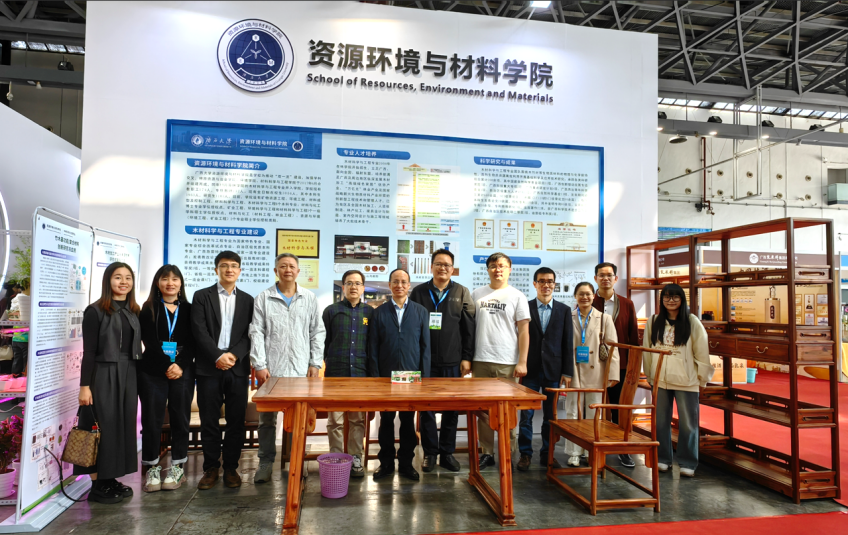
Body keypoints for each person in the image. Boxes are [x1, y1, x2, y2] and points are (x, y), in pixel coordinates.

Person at [249, 253, 324, 484]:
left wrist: (315, 363)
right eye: (283, 266)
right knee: (267, 420)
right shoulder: (264, 298)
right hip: (272, 370)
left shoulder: (309, 298)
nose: (288, 270)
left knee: (298, 419)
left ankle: (296, 460)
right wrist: (259, 364)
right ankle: (265, 462)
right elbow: (256, 332)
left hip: (301, 370)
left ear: (298, 271)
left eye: (292, 266)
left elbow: (317, 332)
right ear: (276, 271)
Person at [76, 262, 142, 504]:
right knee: (101, 427)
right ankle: (97, 485)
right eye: (118, 277)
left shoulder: (133, 311)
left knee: (121, 427)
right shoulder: (95, 311)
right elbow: (89, 352)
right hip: (103, 374)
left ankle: (110, 478)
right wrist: (85, 386)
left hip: (129, 374)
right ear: (108, 280)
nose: (123, 282)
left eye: (128, 277)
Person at [191, 251, 254, 490]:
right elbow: (199, 330)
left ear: (240, 271)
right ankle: (210, 468)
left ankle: (230, 468)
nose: (229, 269)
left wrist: (233, 355)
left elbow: (250, 333)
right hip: (209, 367)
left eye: (234, 266)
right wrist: (218, 355)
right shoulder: (201, 296)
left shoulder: (248, 300)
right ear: (216, 269)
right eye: (224, 266)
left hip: (237, 368)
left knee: (236, 420)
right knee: (209, 420)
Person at [409, 248, 475, 473]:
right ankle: (430, 453)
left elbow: (468, 328)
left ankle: (447, 453)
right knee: (425, 409)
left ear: (452, 269)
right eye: (438, 264)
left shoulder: (461, 292)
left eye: (447, 265)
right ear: (431, 267)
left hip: (452, 360)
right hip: (425, 362)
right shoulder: (419, 292)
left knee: (451, 409)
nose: (443, 268)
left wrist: (466, 357)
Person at [468, 252, 530, 471]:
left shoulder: (517, 296)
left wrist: (522, 361)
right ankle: (487, 453)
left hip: (507, 362)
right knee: (484, 411)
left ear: (509, 269)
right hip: (481, 359)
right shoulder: (477, 294)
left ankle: (507, 452)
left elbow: (524, 331)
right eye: (493, 266)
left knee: (507, 412)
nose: (498, 269)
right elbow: (469, 328)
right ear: (487, 269)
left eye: (502, 265)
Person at [642, 283, 712, 477]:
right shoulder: (653, 321)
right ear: (661, 300)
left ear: (682, 299)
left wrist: (702, 379)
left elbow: (702, 352)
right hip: (660, 380)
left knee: (688, 423)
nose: (670, 300)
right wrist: (650, 375)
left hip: (686, 381)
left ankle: (688, 462)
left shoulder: (692, 322)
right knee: (660, 422)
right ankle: (663, 458)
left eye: (675, 297)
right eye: (666, 297)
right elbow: (647, 350)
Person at [368, 268, 430, 482]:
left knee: (407, 421)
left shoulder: (421, 312)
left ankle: (406, 464)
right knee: (386, 420)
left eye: (403, 282)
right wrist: (376, 377)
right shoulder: (379, 312)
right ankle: (385, 463)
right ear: (389, 285)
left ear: (409, 285)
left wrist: (425, 377)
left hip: (411, 376)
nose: (399, 285)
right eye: (395, 281)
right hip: (386, 376)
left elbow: (425, 347)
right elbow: (373, 347)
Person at [138, 265, 194, 492]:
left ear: (180, 283)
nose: (170, 283)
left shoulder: (190, 309)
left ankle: (178, 467)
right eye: (165, 279)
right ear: (157, 283)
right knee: (152, 420)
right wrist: (166, 365)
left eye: (174, 279)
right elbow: (149, 341)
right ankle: (151, 468)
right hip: (152, 371)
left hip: (182, 371)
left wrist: (179, 365)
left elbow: (194, 341)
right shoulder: (149, 308)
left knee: (180, 418)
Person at [517, 267, 573, 471]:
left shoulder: (564, 310)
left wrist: (567, 372)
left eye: (550, 281)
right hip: (529, 370)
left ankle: (547, 454)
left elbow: (567, 342)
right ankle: (525, 454)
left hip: (553, 371)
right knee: (526, 416)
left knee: (551, 416)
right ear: (535, 284)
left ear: (554, 284)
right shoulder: (525, 307)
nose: (546, 285)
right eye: (541, 281)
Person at [322, 269, 372, 478]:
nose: (353, 287)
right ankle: (335, 457)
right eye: (349, 283)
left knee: (358, 419)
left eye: (357, 283)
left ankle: (355, 457)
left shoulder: (370, 313)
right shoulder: (331, 311)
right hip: (336, 373)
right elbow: (323, 342)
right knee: (335, 420)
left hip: (360, 373)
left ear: (363, 288)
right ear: (343, 287)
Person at [565, 282, 619, 467]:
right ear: (575, 296)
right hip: (573, 369)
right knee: (573, 411)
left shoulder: (604, 318)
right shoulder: (568, 317)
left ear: (593, 296)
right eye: (581, 294)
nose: (585, 297)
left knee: (594, 412)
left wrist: (613, 374)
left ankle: (591, 450)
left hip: (597, 370)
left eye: (588, 294)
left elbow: (612, 348)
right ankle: (574, 452)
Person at [592, 262, 640, 468]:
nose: (605, 278)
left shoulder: (627, 304)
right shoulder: (588, 300)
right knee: (595, 406)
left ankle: (623, 448)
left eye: (609, 275)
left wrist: (633, 367)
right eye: (601, 275)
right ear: (595, 278)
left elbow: (633, 337)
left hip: (620, 366)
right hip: (593, 365)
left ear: (615, 278)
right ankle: (595, 446)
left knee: (621, 407)